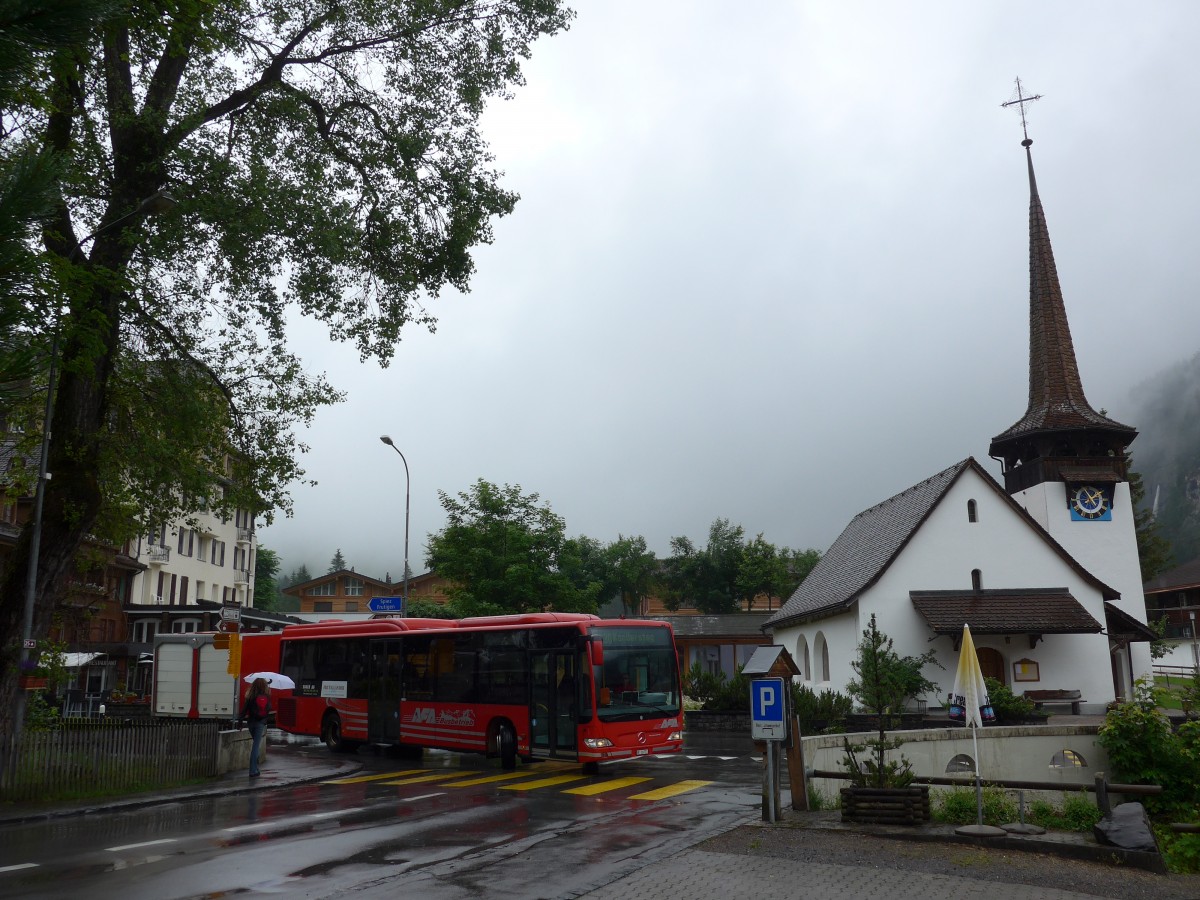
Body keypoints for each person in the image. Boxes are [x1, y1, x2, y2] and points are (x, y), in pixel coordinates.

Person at [238, 677, 271, 777]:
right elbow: (268, 710)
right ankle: (253, 770)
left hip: (251, 723)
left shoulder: (250, 696)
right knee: (256, 747)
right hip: (260, 723)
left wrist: (240, 724)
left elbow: (243, 711)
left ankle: (255, 768)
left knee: (255, 746)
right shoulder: (266, 696)